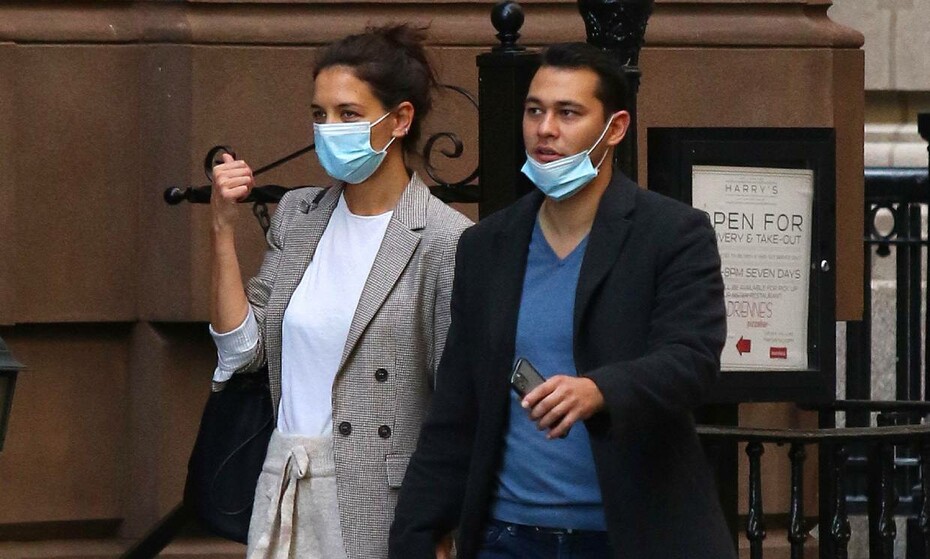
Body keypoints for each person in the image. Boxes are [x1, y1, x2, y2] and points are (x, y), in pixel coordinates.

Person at [389, 42, 736, 559]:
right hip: (506, 536)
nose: (545, 129)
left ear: (614, 128)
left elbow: (692, 360)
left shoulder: (671, 233)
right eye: (535, 111)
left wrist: (600, 390)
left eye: (568, 113)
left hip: (628, 535)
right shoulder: (488, 245)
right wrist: (418, 531)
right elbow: (458, 403)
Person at [208, 24, 471, 559]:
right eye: (319, 114)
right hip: (284, 486)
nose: (329, 129)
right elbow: (243, 352)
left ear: (400, 119)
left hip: (381, 500)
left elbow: (458, 401)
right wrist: (221, 229)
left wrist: (443, 521)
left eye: (349, 114)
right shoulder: (298, 216)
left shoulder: (445, 240)